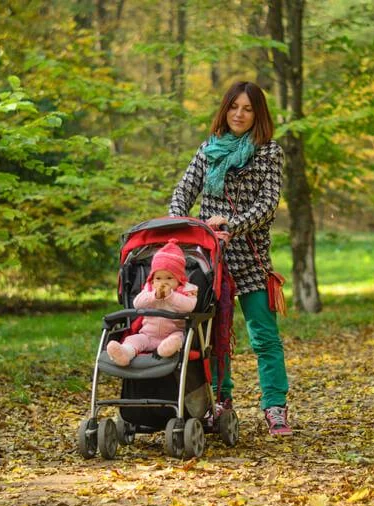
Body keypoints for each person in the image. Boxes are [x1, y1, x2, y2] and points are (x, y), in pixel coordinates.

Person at [169, 81, 292, 436]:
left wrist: (232, 225)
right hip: (209, 261)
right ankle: (220, 403)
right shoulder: (208, 149)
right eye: (234, 107)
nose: (239, 114)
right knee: (213, 337)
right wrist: (180, 229)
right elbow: (182, 193)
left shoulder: (268, 152)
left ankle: (275, 407)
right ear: (225, 110)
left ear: (258, 115)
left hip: (250, 258)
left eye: (248, 109)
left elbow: (267, 206)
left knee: (264, 337)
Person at [106, 239, 198, 366]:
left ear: (179, 279)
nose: (163, 282)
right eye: (158, 278)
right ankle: (124, 353)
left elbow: (189, 306)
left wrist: (170, 296)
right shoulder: (149, 289)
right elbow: (137, 304)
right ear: (152, 279)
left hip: (173, 332)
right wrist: (154, 296)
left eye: (169, 278)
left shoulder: (187, 290)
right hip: (148, 334)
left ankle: (166, 349)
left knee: (177, 338)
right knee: (134, 340)